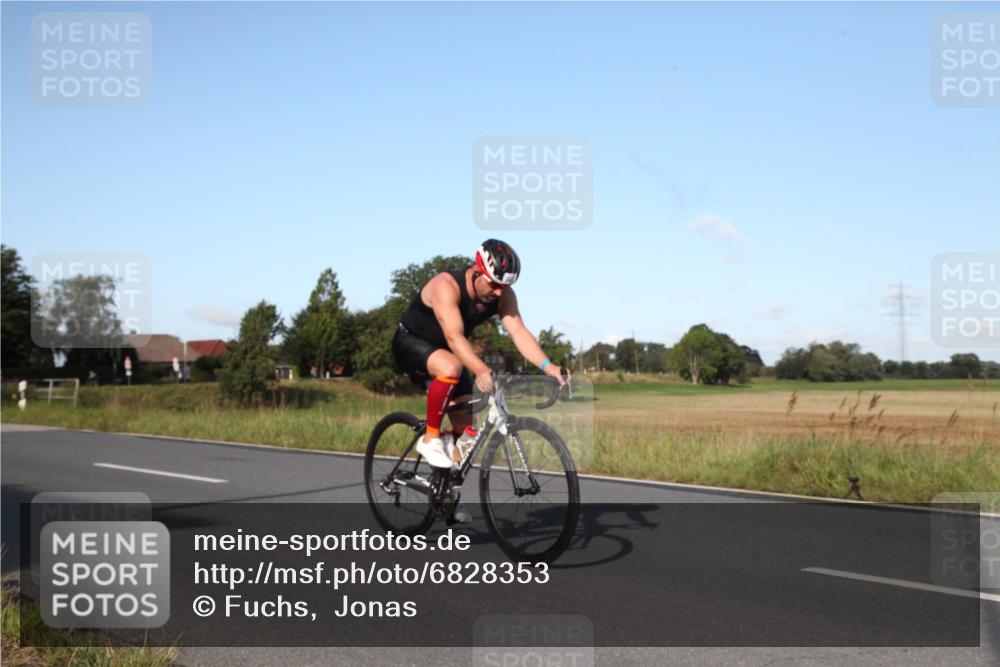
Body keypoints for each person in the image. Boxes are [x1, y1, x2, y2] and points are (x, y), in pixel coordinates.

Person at [392, 239, 569, 472]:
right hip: (410, 344)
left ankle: (445, 500)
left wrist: (549, 366)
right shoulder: (446, 285)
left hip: (449, 353)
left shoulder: (503, 295)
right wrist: (480, 370)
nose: (498, 292)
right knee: (451, 366)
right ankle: (430, 439)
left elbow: (518, 331)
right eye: (494, 284)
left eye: (503, 287)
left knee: (466, 433)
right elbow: (454, 337)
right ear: (477, 272)